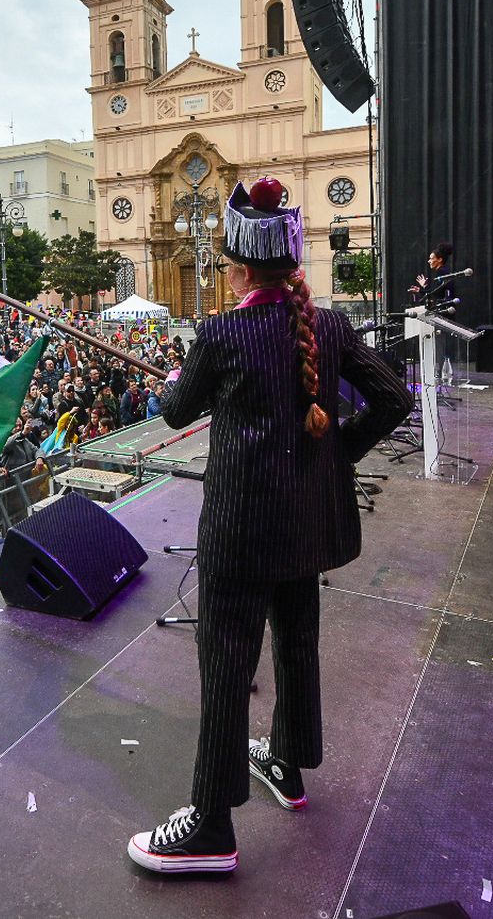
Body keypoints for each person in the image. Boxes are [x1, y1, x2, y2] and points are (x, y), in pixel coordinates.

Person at [126, 178, 412, 874]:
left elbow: (173, 410)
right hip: (305, 526)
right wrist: (336, 451)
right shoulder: (330, 326)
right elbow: (394, 398)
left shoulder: (222, 334)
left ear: (244, 270)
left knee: (226, 666)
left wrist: (173, 379)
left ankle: (212, 826)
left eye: (228, 265)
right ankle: (286, 762)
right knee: (296, 642)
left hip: (241, 530)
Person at [408, 242, 458, 308]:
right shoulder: (444, 271)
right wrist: (423, 287)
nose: (429, 261)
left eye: (431, 258)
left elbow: (436, 293)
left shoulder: (441, 272)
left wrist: (422, 288)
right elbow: (437, 290)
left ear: (440, 259)